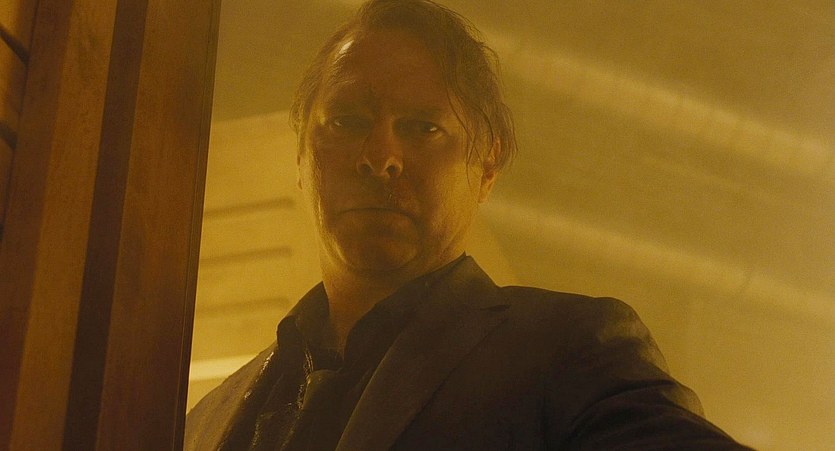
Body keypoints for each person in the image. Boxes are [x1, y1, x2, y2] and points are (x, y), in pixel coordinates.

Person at [185, 1, 752, 449]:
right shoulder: (205, 419)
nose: (380, 156)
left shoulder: (568, 354)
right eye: (347, 121)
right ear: (302, 155)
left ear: (487, 166)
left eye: (422, 128)